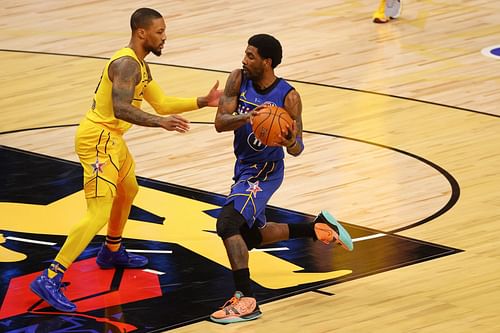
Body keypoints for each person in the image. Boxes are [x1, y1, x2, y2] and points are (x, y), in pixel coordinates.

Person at [29, 7, 221, 312]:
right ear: (141, 33)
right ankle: (50, 276)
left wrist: (203, 102)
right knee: (98, 211)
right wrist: (161, 123)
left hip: (113, 140)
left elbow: (162, 103)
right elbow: (120, 108)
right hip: (98, 140)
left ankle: (112, 250)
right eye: (159, 32)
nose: (164, 37)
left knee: (128, 190)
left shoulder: (141, 66)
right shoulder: (126, 65)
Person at [210, 34, 353, 324]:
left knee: (227, 224)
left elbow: (298, 149)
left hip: (265, 172)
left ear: (267, 62)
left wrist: (289, 141)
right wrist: (248, 116)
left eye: (251, 56)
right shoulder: (238, 80)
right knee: (250, 236)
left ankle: (245, 298)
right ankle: (317, 229)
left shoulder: (289, 97)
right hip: (244, 167)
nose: (244, 59)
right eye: (245, 53)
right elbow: (219, 123)